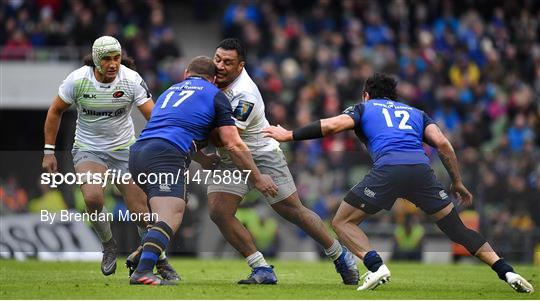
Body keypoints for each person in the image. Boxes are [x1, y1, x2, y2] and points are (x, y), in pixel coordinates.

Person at [263, 73, 535, 293]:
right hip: (421, 171)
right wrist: (457, 182)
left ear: (366, 94)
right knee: (457, 229)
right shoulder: (416, 112)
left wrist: (289, 135)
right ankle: (507, 271)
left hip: (389, 170)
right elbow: (443, 144)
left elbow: (334, 126)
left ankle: (375, 265)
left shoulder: (364, 107)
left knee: (341, 221)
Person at [203, 38, 358, 285]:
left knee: (292, 211)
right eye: (217, 59)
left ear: (240, 66)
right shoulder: (207, 79)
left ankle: (340, 255)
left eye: (228, 63)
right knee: (219, 212)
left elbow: (227, 140)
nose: (220, 66)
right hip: (230, 155)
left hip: (260, 153)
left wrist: (256, 177)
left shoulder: (245, 95)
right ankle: (261, 268)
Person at [127, 55, 278, 285]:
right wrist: (257, 177)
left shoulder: (170, 91)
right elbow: (233, 142)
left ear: (186, 73)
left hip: (138, 153)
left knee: (159, 218)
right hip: (166, 155)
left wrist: (202, 159)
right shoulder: (215, 95)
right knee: (170, 216)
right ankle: (143, 271)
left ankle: (144, 256)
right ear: (214, 79)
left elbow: (175, 126)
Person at [42, 36, 179, 280]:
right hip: (89, 149)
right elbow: (55, 111)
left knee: (141, 214)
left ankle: (160, 262)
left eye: (116, 58)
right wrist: (49, 151)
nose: (113, 63)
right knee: (93, 199)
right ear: (96, 59)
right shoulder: (78, 80)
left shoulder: (130, 79)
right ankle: (108, 245)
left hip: (125, 150)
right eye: (106, 59)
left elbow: (154, 116)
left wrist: (165, 144)